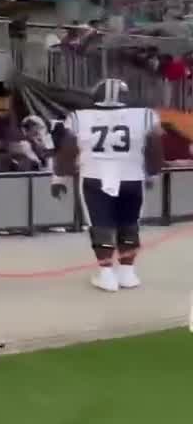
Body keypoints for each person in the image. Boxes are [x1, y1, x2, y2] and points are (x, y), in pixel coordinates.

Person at [52, 78, 163, 292]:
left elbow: (67, 152)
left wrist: (59, 178)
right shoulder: (146, 115)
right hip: (131, 177)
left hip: (95, 177)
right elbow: (155, 150)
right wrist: (152, 174)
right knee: (129, 223)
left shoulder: (78, 118)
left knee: (100, 225)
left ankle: (106, 274)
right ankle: (127, 273)